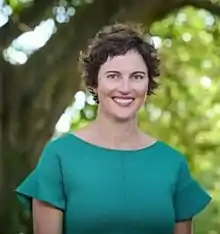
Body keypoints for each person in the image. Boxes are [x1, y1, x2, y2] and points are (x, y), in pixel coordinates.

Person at [15, 23, 211, 234]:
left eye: (136, 76)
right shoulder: (59, 158)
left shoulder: (173, 164)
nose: (125, 88)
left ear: (148, 84)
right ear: (94, 84)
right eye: (113, 76)